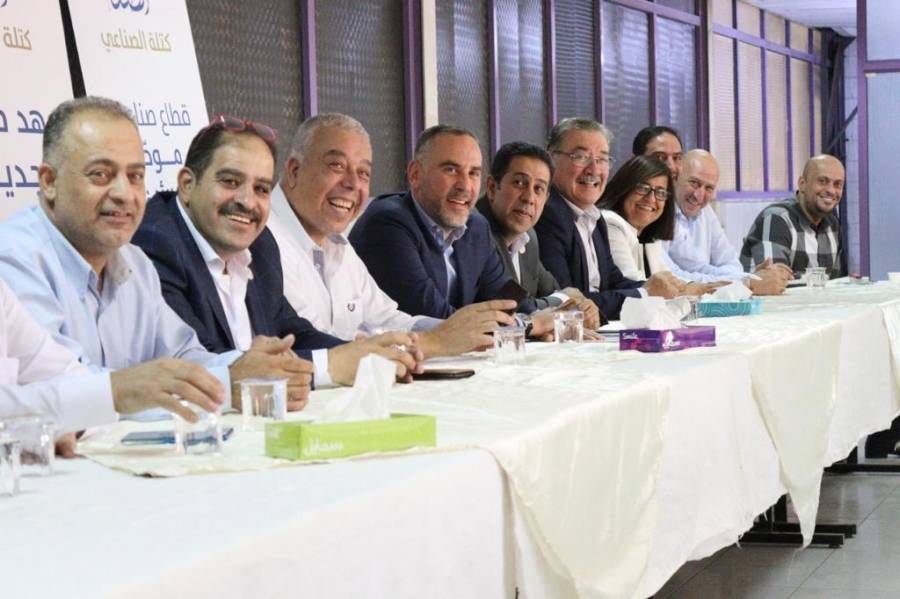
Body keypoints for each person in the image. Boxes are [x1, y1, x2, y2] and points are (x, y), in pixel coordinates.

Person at [0, 96, 313, 413]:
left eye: (135, 176)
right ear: (49, 182)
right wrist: (226, 383)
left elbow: (183, 355)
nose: (124, 194)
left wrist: (248, 368)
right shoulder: (15, 259)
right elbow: (60, 387)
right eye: (101, 174)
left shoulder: (134, 262)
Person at [132, 114, 422, 392]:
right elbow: (205, 364)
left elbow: (293, 332)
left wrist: (363, 355)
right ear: (187, 185)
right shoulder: (155, 244)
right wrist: (330, 366)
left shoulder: (260, 244)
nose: (247, 202)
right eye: (230, 181)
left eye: (261, 189)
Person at [265, 113, 516, 357]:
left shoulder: (335, 243)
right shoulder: (262, 241)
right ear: (294, 171)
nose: (353, 184)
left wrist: (453, 331)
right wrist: (435, 340)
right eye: (337, 166)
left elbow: (385, 318)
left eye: (363, 173)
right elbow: (306, 346)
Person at [0, 278, 223, 439]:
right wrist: (111, 393)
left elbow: (63, 375)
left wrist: (71, 421)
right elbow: (89, 394)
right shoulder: (16, 251)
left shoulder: (135, 261)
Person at [349, 125, 517, 319]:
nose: (465, 186)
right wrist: (520, 325)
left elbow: (507, 301)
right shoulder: (386, 223)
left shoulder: (476, 226)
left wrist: (533, 320)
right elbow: (433, 316)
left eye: (473, 173)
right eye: (451, 170)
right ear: (415, 174)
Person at [533, 117, 683, 320]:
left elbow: (615, 283)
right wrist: (646, 293)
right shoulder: (547, 214)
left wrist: (656, 287)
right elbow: (567, 301)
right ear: (551, 159)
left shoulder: (595, 218)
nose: (594, 169)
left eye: (602, 159)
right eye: (581, 157)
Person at [475, 141, 601, 328]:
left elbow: (554, 291)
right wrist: (564, 302)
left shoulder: (529, 237)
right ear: (493, 187)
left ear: (546, 198)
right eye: (519, 183)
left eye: (538, 189)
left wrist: (581, 307)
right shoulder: (476, 230)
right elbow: (512, 307)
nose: (529, 198)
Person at [662, 150, 791, 295]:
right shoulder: (658, 212)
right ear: (675, 179)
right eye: (694, 183)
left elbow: (731, 264)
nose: (699, 195)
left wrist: (744, 279)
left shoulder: (706, 211)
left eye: (709, 188)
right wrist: (745, 282)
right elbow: (671, 277)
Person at [740, 154, 845, 278]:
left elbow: (833, 284)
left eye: (837, 184)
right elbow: (774, 282)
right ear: (802, 184)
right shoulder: (776, 219)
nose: (831, 190)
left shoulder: (832, 224)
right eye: (822, 181)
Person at [598, 155, 676, 281]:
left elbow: (668, 280)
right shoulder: (611, 223)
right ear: (624, 188)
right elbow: (631, 282)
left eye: (661, 192)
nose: (651, 199)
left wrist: (695, 287)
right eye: (643, 188)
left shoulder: (650, 237)